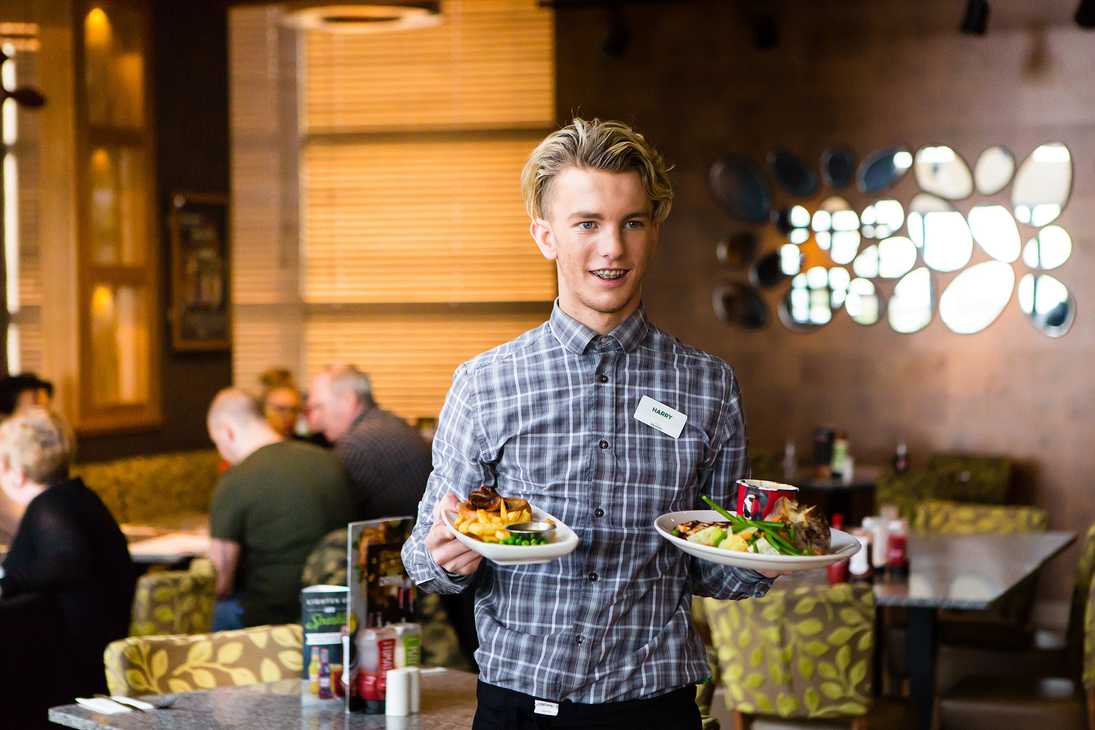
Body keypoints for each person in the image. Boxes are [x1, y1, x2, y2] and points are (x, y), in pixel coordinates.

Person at [402, 118, 779, 729]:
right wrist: (447, 557)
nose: (613, 247)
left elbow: (716, 568)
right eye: (587, 224)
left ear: (654, 232)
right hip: (521, 707)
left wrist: (767, 555)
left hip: (656, 707)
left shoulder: (709, 385)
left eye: (632, 222)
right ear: (546, 236)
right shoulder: (485, 382)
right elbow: (421, 557)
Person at [0, 408, 134, 698]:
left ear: (16, 473)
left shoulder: (48, 507)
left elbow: (67, 561)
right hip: (97, 657)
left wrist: (7, 580)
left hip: (68, 674)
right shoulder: (81, 496)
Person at [206, 388, 352, 629]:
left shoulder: (235, 480)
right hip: (336, 610)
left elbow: (221, 583)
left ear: (227, 431)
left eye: (217, 443)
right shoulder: (328, 460)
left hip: (271, 621)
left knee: (213, 610)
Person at [307, 365, 431, 521]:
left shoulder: (355, 447)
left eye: (318, 407)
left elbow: (323, 515)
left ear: (348, 400)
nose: (313, 421)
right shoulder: (389, 423)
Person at [258, 367, 304, 440]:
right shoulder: (252, 446)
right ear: (263, 410)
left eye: (293, 410)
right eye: (280, 409)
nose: (288, 417)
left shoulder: (305, 445)